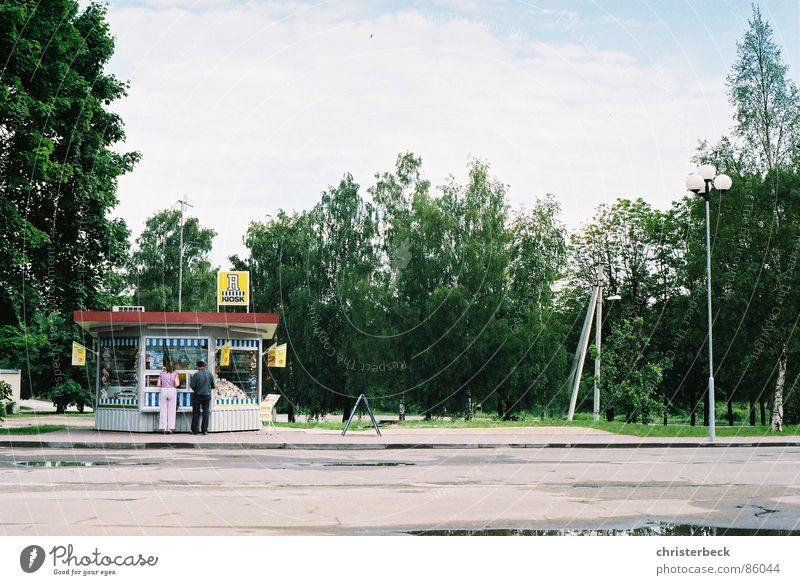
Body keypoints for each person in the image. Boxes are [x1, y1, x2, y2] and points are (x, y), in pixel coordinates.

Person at [190, 360, 215, 435]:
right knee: (206, 412)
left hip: (197, 395)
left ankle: (194, 430)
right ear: (204, 366)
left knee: (196, 412)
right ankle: (205, 430)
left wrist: (197, 390)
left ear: (198, 367)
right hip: (207, 396)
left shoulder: (196, 375)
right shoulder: (210, 374)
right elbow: (213, 385)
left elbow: (192, 385)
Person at [157, 362, 180, 434]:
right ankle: (169, 428)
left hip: (163, 390)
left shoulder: (162, 373)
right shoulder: (175, 373)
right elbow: (177, 384)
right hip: (172, 390)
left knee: (163, 409)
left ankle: (164, 428)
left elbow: (158, 384)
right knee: (171, 410)